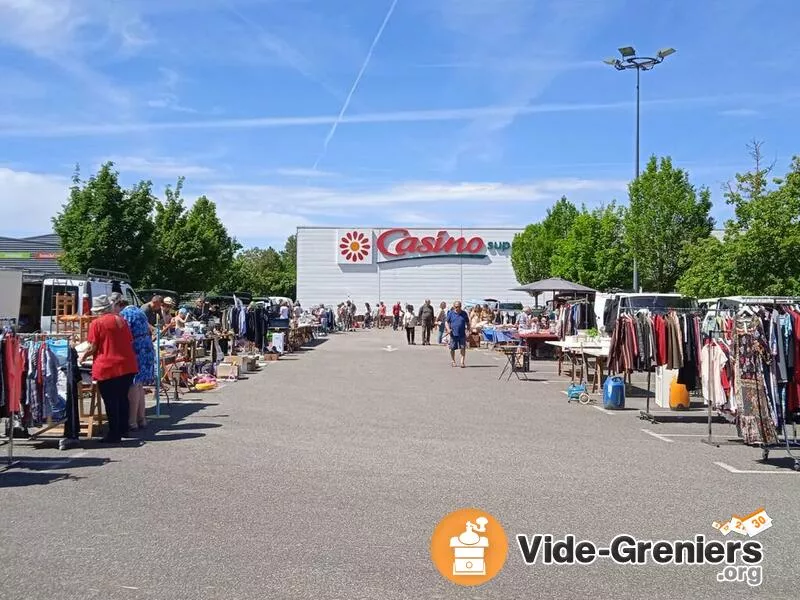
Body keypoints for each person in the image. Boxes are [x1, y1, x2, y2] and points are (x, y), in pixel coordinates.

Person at [79, 294, 139, 443]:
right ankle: (124, 429)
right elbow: (128, 340)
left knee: (111, 400)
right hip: (127, 364)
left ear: (98, 311)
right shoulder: (122, 320)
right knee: (122, 398)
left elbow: (93, 346)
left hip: (108, 365)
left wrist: (83, 356)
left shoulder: (97, 323)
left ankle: (114, 433)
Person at [118, 296, 154, 431]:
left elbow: (124, 334)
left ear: (119, 305)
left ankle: (132, 421)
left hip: (137, 349)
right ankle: (141, 418)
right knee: (139, 385)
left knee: (133, 385)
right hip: (146, 347)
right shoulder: (139, 311)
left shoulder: (125, 314)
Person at [446, 300, 469, 368]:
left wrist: (468, 331)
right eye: (456, 307)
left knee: (463, 348)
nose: (457, 308)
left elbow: (468, 323)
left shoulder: (464, 313)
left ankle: (462, 362)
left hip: (462, 334)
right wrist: (448, 329)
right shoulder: (451, 313)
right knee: (452, 348)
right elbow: (446, 322)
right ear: (454, 307)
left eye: (459, 307)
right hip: (453, 334)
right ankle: (453, 361)